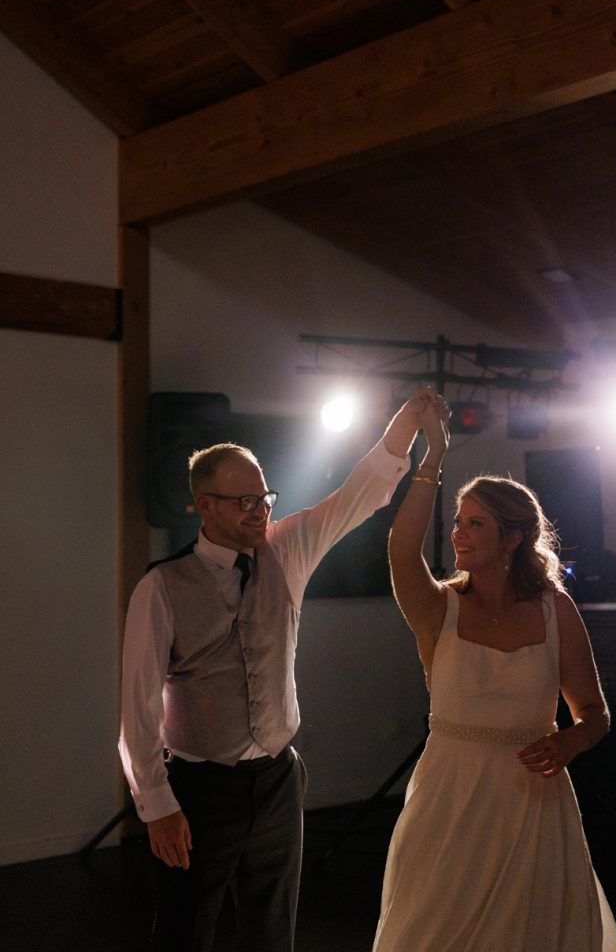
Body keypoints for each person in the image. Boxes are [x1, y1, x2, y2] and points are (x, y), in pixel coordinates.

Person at [118, 388, 433, 952]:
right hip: (199, 788)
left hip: (279, 780)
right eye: (243, 500)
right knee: (185, 931)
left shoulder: (287, 550)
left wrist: (404, 426)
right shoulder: (161, 586)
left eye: (263, 496)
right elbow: (138, 704)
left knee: (272, 931)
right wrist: (157, 804)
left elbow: (356, 496)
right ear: (205, 506)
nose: (259, 509)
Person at [373, 392, 616, 952]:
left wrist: (572, 740)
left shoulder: (555, 610)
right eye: (458, 522)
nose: (458, 533)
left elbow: (595, 713)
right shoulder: (438, 608)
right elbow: (401, 551)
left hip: (531, 803)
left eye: (476, 524)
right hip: (449, 798)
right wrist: (433, 457)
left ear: (512, 539)